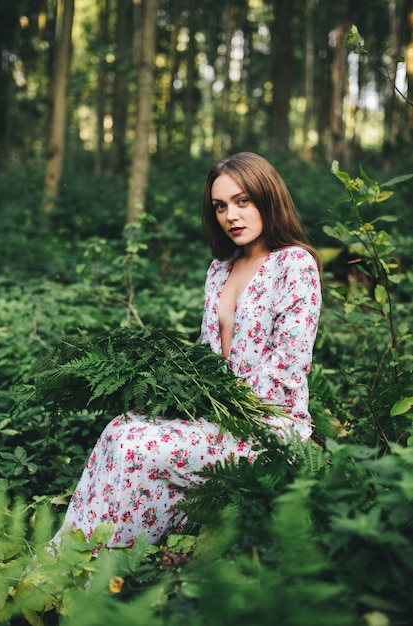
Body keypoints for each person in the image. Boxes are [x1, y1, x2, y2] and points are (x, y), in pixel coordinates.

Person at [50, 152, 322, 550]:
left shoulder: (294, 265)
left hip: (268, 428)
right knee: (119, 429)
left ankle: (94, 567)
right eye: (221, 206)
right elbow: (206, 357)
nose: (231, 215)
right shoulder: (220, 270)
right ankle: (65, 557)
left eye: (243, 200)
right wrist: (179, 391)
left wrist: (221, 406)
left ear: (268, 198)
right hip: (217, 417)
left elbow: (287, 371)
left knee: (134, 447)